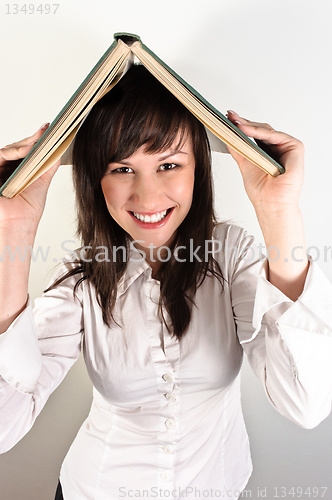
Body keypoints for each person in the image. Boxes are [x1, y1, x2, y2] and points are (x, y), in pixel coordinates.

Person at [0, 65, 332, 500]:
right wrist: (13, 228)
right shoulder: (82, 275)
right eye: (121, 169)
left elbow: (306, 405)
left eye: (169, 164)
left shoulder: (230, 256)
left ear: (199, 167)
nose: (148, 197)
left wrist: (279, 210)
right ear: (95, 181)